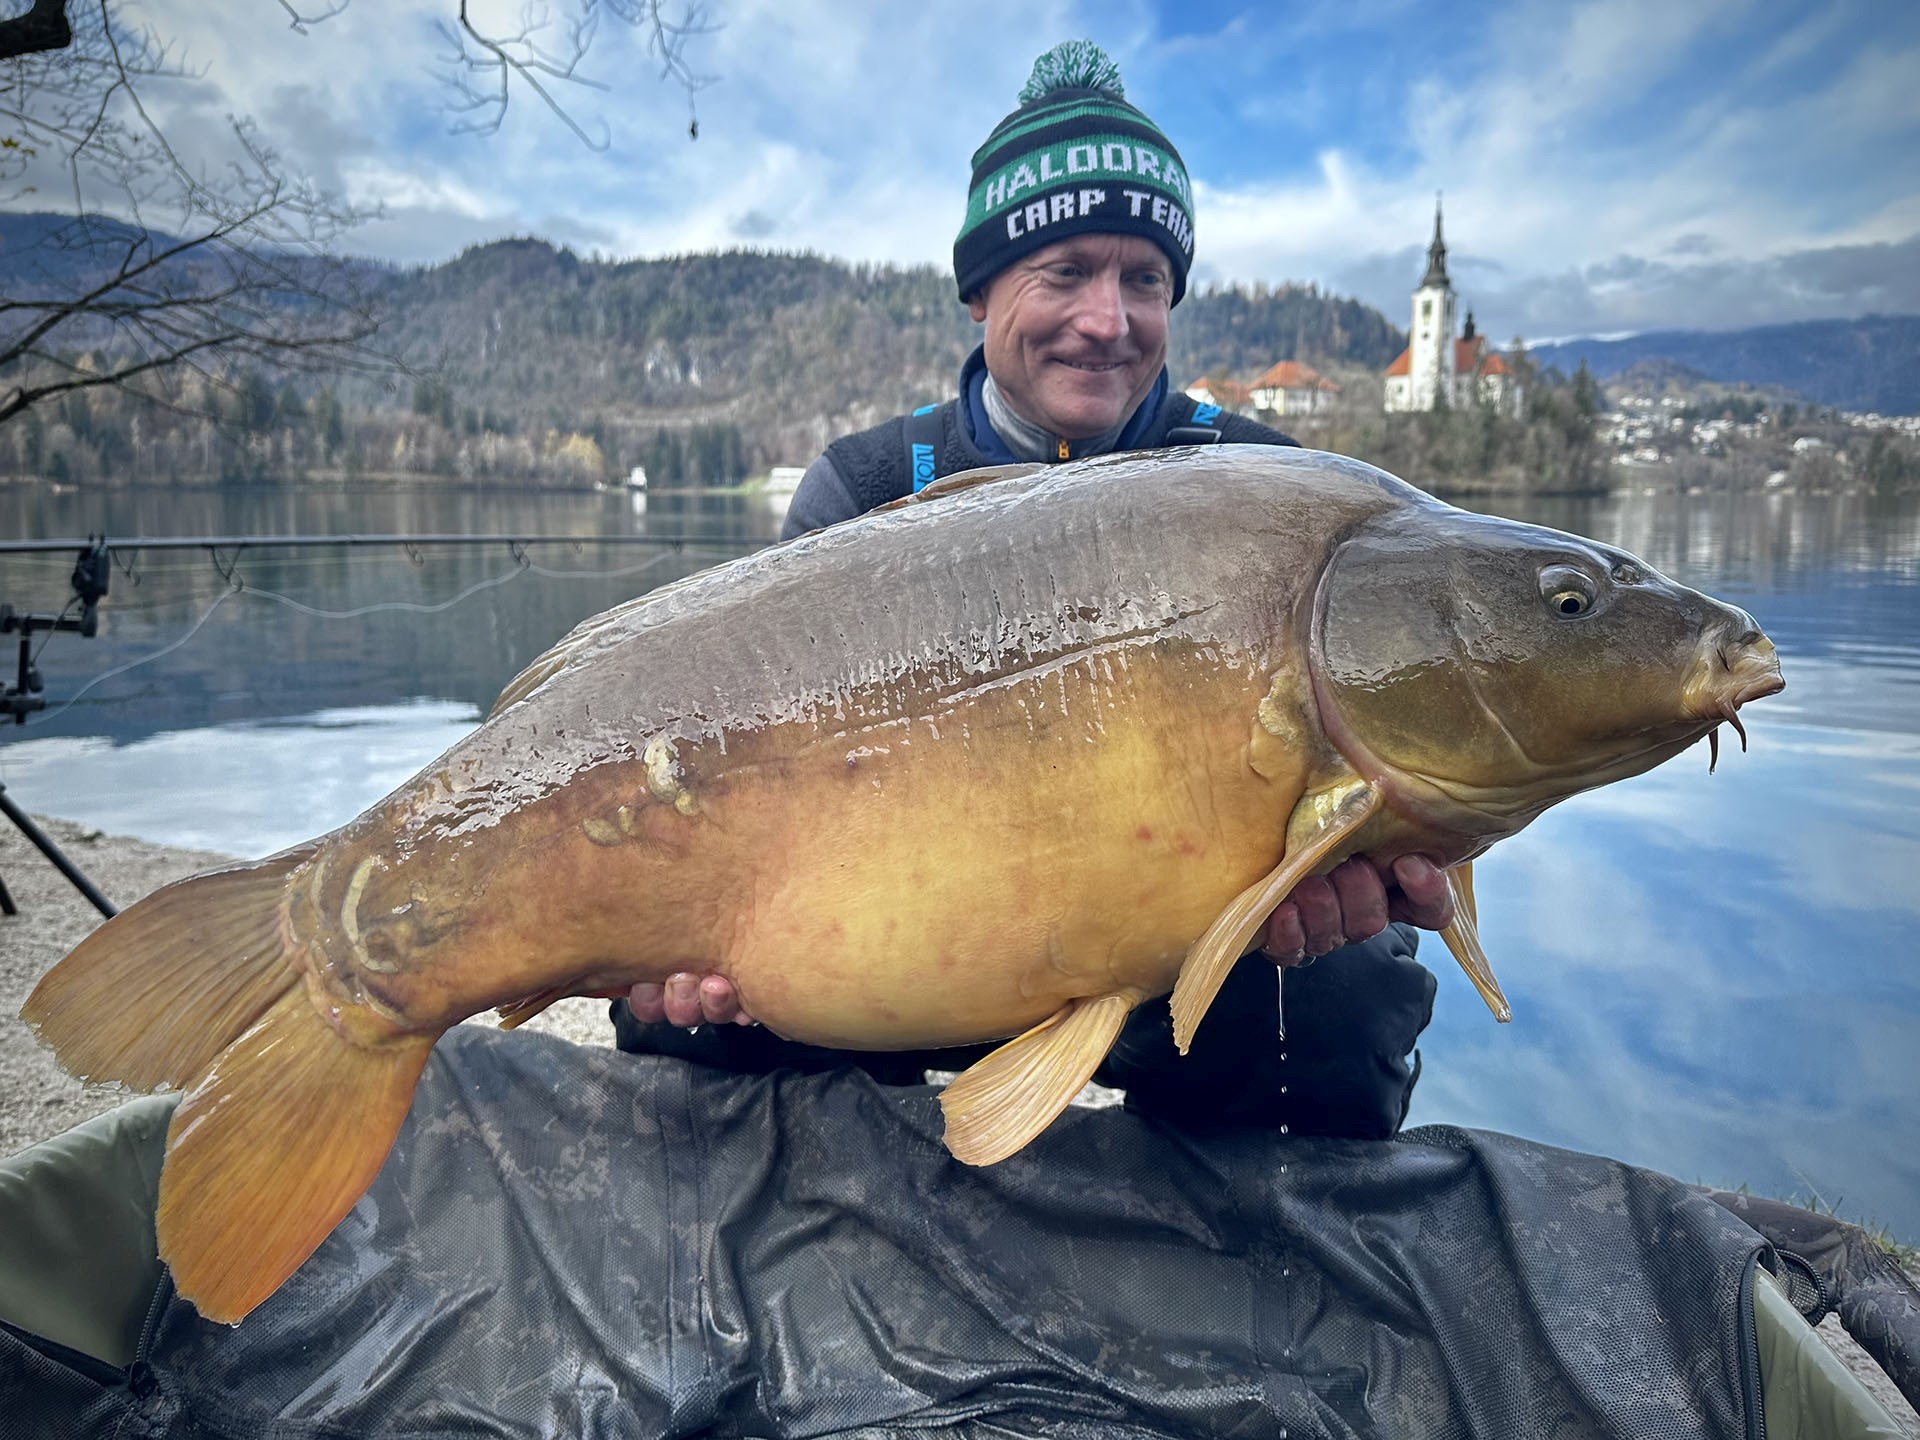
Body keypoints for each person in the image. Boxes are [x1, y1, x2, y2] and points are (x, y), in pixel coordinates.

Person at [611, 41, 1452, 1138]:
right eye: (1064, 272)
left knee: (1351, 994)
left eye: (1143, 278)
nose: (1107, 319)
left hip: (1176, 959)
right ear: (981, 291)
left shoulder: (1261, 488)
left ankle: (1237, 1259)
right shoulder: (861, 489)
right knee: (676, 1014)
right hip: (903, 952)